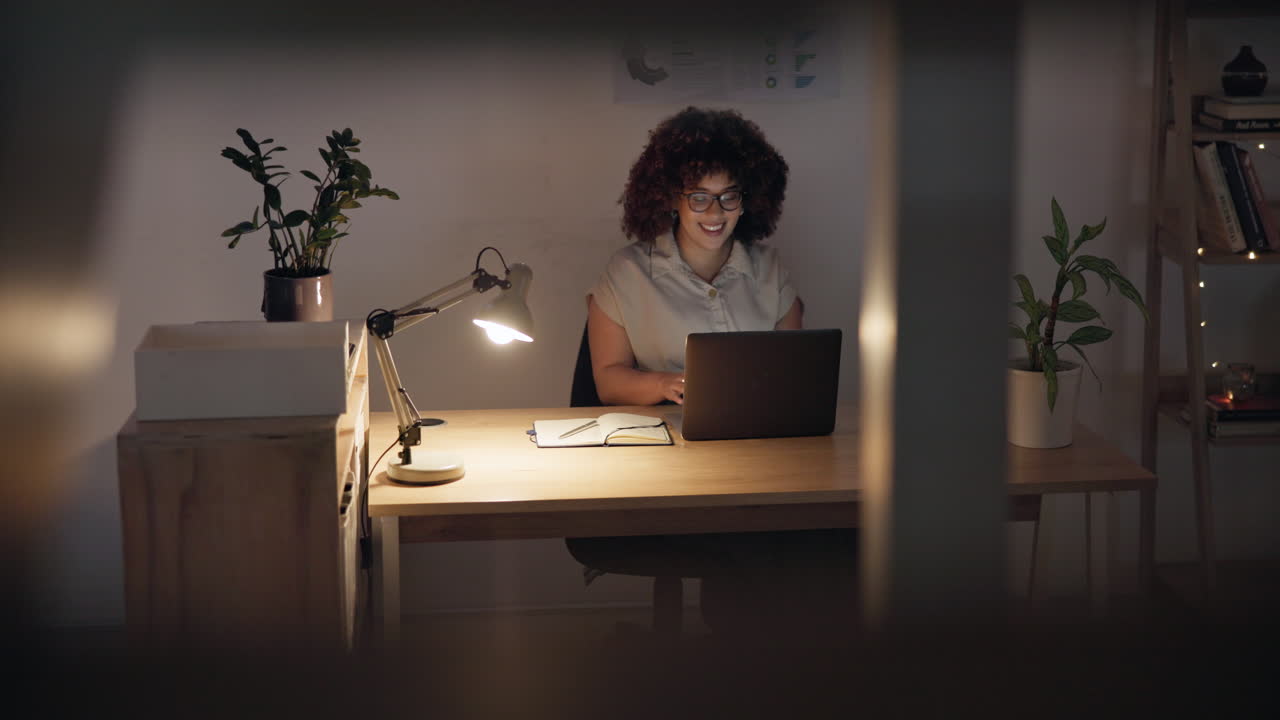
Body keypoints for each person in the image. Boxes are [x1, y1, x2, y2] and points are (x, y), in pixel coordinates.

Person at [567, 106, 857, 638]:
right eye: (698, 196)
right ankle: (740, 659)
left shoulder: (769, 271)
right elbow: (608, 379)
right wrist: (665, 384)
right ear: (670, 199)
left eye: (730, 195)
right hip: (664, 470)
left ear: (751, 199)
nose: (715, 211)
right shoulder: (627, 272)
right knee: (760, 545)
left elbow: (792, 377)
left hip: (759, 461)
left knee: (844, 533)